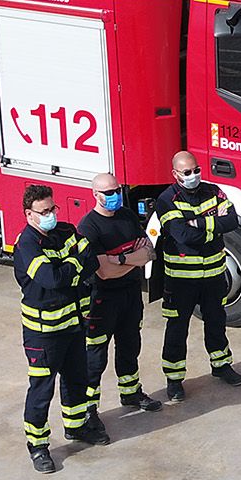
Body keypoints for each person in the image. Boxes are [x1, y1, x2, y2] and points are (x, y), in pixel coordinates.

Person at [13, 184, 102, 473]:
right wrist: (74, 265)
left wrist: (71, 268)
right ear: (29, 214)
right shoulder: (26, 245)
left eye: (53, 209)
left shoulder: (64, 231)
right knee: (42, 390)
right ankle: (38, 447)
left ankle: (76, 427)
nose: (51, 214)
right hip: (43, 334)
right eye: (44, 211)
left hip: (73, 325)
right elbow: (52, 279)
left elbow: (91, 260)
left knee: (77, 379)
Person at [153, 151, 241, 401]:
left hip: (214, 275)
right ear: (175, 174)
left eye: (196, 170)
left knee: (216, 322)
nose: (193, 175)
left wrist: (199, 224)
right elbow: (183, 236)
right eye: (187, 172)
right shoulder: (166, 200)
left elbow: (233, 221)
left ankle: (221, 365)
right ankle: (174, 380)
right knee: (177, 329)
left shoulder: (213, 191)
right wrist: (212, 226)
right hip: (181, 279)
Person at [76, 172, 163, 418]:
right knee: (95, 358)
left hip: (130, 295)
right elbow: (104, 272)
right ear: (95, 195)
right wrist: (132, 260)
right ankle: (89, 409)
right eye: (108, 192)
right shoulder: (89, 227)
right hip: (102, 301)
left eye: (116, 190)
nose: (115, 196)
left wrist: (120, 259)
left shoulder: (126, 216)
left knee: (130, 346)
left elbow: (149, 252)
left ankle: (131, 392)